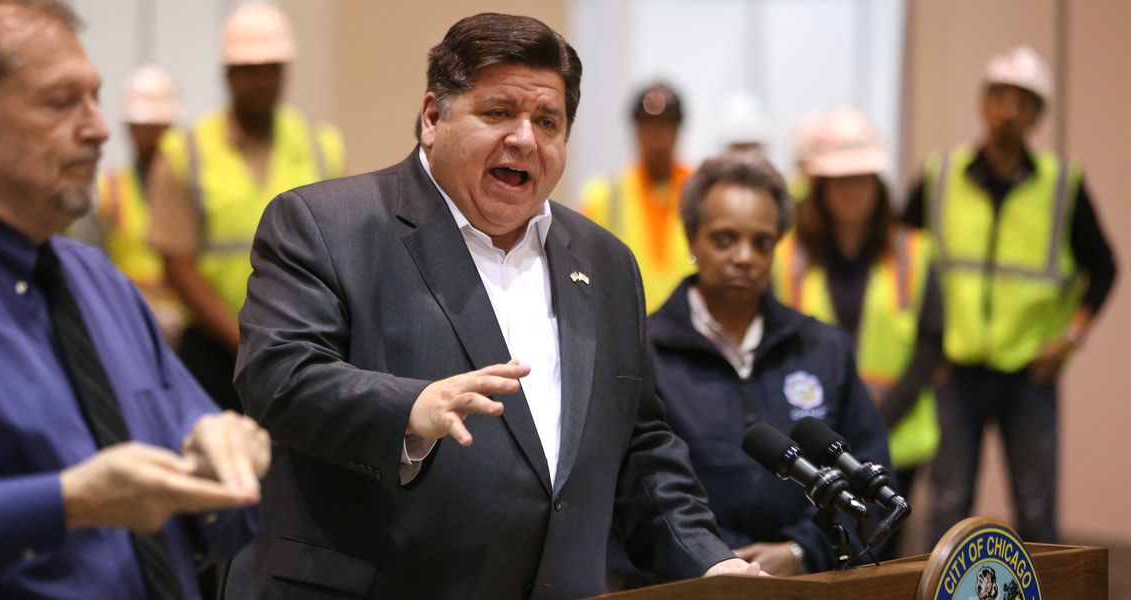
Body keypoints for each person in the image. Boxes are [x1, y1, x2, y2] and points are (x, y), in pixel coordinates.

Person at [234, 13, 764, 598]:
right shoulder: (326, 224)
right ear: (433, 117)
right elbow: (278, 377)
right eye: (498, 113)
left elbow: (640, 448)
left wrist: (709, 563)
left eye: (548, 121)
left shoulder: (607, 263)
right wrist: (408, 407)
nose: (525, 139)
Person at [0, 1, 270, 598]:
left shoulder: (98, 283)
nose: (99, 128)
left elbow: (200, 474)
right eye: (61, 103)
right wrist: (66, 504)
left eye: (94, 97)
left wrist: (226, 459)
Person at [636, 150, 891, 575]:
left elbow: (871, 478)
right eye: (724, 239)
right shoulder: (645, 350)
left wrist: (801, 551)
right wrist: (714, 560)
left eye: (762, 242)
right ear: (692, 237)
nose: (744, 256)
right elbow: (637, 493)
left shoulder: (824, 349)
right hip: (685, 585)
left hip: (807, 583)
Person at [902, 46, 1118, 545]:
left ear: (1037, 116)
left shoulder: (1062, 185)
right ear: (983, 104)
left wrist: (1071, 337)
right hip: (954, 372)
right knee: (949, 505)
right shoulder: (941, 176)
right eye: (998, 98)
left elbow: (1105, 268)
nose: (1007, 112)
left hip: (1030, 375)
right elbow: (902, 262)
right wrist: (924, 347)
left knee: (1037, 509)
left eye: (1022, 102)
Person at [148, 1, 346, 411]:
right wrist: (246, 339)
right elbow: (177, 263)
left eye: (272, 68)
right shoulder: (185, 153)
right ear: (228, 74)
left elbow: (337, 253)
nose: (262, 81)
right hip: (215, 351)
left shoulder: (319, 145)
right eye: (249, 70)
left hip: (303, 345)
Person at [772, 108, 940, 560]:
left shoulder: (914, 251)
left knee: (883, 557)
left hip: (897, 436)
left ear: (878, 184)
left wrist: (874, 423)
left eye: (861, 178)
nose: (852, 191)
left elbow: (930, 345)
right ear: (820, 188)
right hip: (815, 436)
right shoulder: (789, 256)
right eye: (839, 180)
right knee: (823, 552)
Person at [577, 82, 692, 313]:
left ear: (679, 130)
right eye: (649, 127)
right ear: (636, 131)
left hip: (691, 333)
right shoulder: (604, 196)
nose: (657, 138)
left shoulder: (701, 192)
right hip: (626, 329)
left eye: (665, 127)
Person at [93, 65, 184, 343]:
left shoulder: (189, 188)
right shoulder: (109, 189)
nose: (149, 137)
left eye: (156, 128)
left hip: (188, 328)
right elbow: (93, 262)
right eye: (141, 128)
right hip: (127, 324)